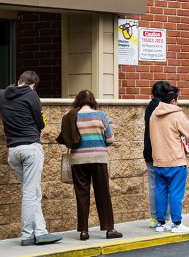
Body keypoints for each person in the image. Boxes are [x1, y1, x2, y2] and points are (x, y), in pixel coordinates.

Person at [0, 71, 62, 246]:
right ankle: (27, 235)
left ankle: (40, 231)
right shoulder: (32, 95)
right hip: (30, 148)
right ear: (33, 85)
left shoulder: (3, 94)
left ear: (19, 81)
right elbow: (41, 122)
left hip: (13, 151)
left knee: (33, 192)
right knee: (30, 193)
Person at [64, 90, 122, 240]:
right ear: (92, 101)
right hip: (98, 159)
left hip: (78, 160)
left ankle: (83, 231)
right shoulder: (100, 115)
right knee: (103, 194)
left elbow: (67, 138)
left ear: (78, 100)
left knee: (81, 195)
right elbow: (110, 139)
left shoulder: (72, 116)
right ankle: (109, 229)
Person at [150, 86, 189, 233]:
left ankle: (160, 223)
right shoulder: (178, 114)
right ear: (173, 100)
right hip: (176, 160)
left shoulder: (153, 114)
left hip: (158, 160)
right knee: (176, 193)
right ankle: (176, 223)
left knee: (160, 192)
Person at [144, 81, 176, 228]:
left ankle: (154, 218)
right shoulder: (165, 108)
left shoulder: (149, 107)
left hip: (149, 150)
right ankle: (166, 217)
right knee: (168, 185)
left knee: (153, 186)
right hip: (163, 151)